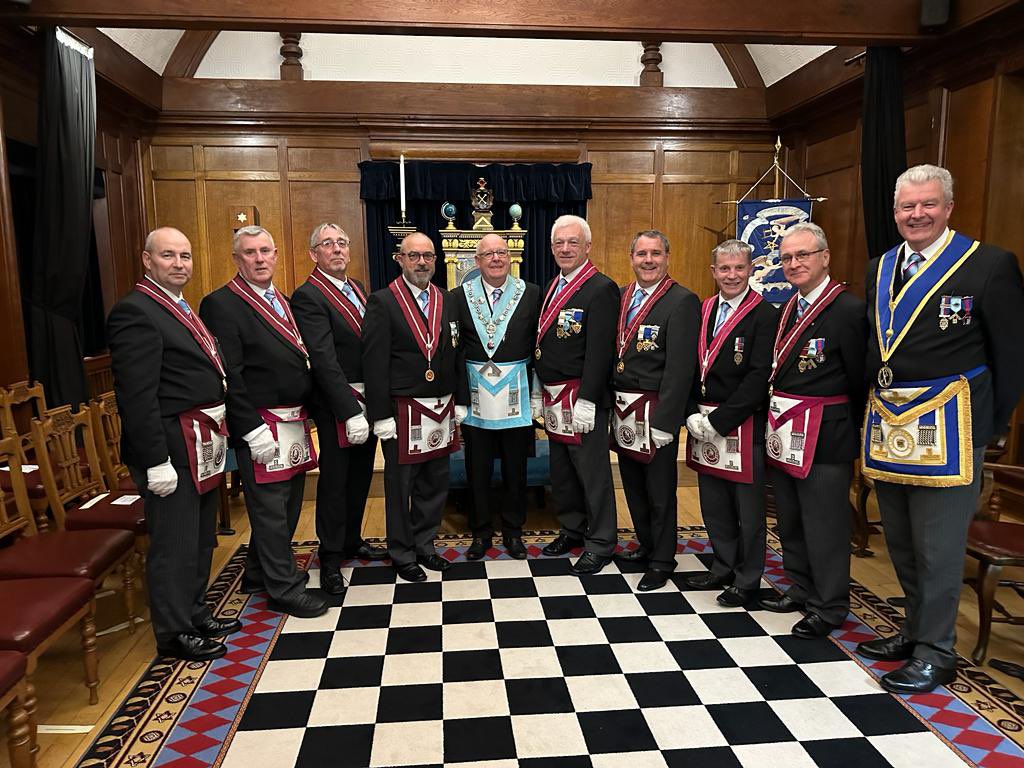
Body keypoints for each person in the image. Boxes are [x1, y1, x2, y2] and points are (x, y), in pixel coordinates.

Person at [858, 164, 1024, 693]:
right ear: (895, 211)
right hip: (891, 425)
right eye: (907, 206)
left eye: (928, 204)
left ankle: (937, 651)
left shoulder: (989, 265)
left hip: (952, 430)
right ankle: (913, 631)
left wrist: (989, 429)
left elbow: (1012, 356)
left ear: (948, 207)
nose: (917, 214)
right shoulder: (880, 267)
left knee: (939, 546)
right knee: (901, 542)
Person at [108, 227, 239, 661]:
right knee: (174, 543)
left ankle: (196, 611)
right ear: (148, 261)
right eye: (168, 255)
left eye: (185, 255)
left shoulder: (179, 306)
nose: (179, 263)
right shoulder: (136, 312)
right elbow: (136, 395)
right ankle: (174, 631)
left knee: (201, 537)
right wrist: (155, 461)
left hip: (199, 441)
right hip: (169, 447)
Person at [200, 225, 327, 618]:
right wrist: (251, 428)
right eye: (250, 253)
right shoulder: (221, 304)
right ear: (237, 259)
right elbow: (229, 374)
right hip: (260, 425)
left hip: (291, 421)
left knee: (287, 507)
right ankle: (285, 589)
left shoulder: (282, 300)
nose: (259, 259)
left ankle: (257, 572)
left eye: (265, 251)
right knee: (271, 510)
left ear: (275, 255)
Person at [758, 222, 866, 638]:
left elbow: (859, 378)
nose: (794, 263)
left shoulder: (848, 310)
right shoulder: (788, 307)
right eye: (786, 257)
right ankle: (800, 588)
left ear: (825, 257)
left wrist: (846, 426)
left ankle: (831, 603)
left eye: (803, 255)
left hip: (826, 433)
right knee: (790, 518)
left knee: (825, 524)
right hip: (786, 429)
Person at [291, 223, 387, 597]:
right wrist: (349, 411)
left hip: (366, 402)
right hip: (338, 406)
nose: (337, 249)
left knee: (360, 475)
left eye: (342, 243)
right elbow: (323, 360)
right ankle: (329, 556)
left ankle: (351, 539)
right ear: (314, 253)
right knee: (334, 483)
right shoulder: (309, 296)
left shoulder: (358, 289)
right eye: (327, 244)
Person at [363, 232, 462, 582]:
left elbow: (456, 353)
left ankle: (425, 545)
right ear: (400, 259)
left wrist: (460, 400)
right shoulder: (382, 302)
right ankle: (401, 552)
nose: (422, 262)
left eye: (428, 256)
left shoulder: (447, 299)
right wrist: (380, 415)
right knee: (401, 486)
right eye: (414, 256)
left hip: (441, 407)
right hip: (402, 411)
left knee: (435, 483)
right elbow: (373, 363)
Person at [684, 239, 777, 606]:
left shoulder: (765, 314)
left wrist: (720, 420)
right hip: (702, 421)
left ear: (751, 269)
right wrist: (690, 410)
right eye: (725, 268)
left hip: (742, 423)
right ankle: (722, 565)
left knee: (748, 509)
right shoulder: (704, 309)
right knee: (713, 501)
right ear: (713, 272)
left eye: (739, 267)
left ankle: (748, 577)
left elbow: (758, 378)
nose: (732, 275)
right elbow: (690, 366)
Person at [610, 230, 699, 590]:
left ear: (667, 257)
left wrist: (667, 421)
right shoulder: (620, 297)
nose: (648, 260)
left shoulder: (682, 300)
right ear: (631, 258)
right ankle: (646, 545)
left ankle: (663, 559)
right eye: (642, 254)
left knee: (660, 492)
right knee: (632, 486)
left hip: (655, 411)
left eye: (656, 254)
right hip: (623, 409)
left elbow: (680, 369)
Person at [533, 214, 619, 575]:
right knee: (563, 472)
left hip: (580, 398)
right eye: (559, 243)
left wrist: (589, 398)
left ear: (587, 246)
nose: (565, 249)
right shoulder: (554, 285)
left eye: (572, 242)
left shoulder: (600, 287)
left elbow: (601, 350)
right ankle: (572, 529)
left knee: (592, 474)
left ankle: (601, 542)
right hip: (554, 397)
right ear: (552, 248)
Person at [452, 233, 540, 560]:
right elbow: (456, 349)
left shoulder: (531, 294)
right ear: (477, 261)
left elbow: (538, 346)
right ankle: (481, 532)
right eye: (488, 254)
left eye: (501, 252)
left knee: (516, 469)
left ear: (510, 256)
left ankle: (514, 532)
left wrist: (538, 392)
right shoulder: (459, 297)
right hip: (476, 398)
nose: (495, 259)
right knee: (478, 470)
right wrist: (459, 399)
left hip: (517, 395)